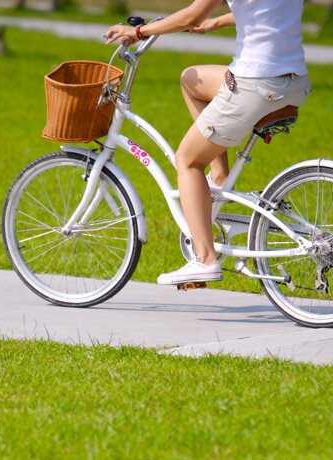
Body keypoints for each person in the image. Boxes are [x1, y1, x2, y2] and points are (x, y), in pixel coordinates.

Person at [105, 0, 311, 285]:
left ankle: (205, 259)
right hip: (295, 83)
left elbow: (191, 15)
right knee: (191, 78)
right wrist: (217, 22)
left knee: (187, 161)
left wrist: (139, 32)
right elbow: (265, 14)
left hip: (255, 84)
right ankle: (219, 177)